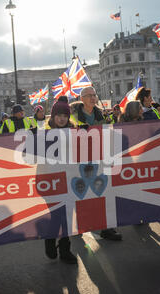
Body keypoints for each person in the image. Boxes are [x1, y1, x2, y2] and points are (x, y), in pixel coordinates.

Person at [70, 87, 122, 241]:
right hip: (79, 160)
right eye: (90, 95)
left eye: (95, 95)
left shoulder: (101, 114)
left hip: (99, 159)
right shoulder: (72, 115)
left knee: (102, 193)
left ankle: (105, 227)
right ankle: (78, 225)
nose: (93, 98)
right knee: (80, 193)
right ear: (82, 98)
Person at [44, 99, 78, 264]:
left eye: (65, 115)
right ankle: (50, 240)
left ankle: (65, 249)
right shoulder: (44, 133)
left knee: (68, 216)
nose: (62, 119)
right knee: (56, 215)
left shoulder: (75, 132)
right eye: (59, 115)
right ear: (53, 116)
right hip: (52, 181)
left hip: (71, 179)